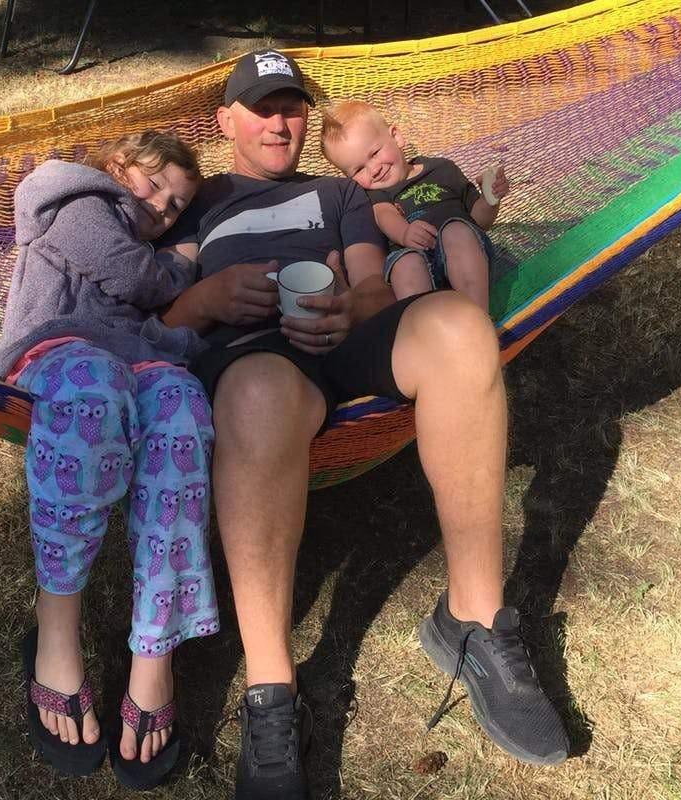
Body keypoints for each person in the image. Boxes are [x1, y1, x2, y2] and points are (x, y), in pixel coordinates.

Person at [157, 50, 569, 799]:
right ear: (225, 122)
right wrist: (209, 297)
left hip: (343, 339)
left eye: (291, 106)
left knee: (461, 331)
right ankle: (273, 692)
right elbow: (153, 313)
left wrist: (353, 308)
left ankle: (474, 619)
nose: (280, 121)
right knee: (254, 396)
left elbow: (377, 284)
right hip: (252, 356)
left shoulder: (337, 191)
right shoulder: (197, 200)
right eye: (261, 107)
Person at [0, 131, 220, 789]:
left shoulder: (137, 240)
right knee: (96, 387)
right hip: (55, 355)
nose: (160, 208)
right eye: (153, 185)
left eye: (175, 207)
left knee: (180, 401)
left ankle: (155, 651)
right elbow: (135, 278)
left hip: (128, 361)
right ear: (118, 168)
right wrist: (182, 265)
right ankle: (56, 631)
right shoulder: (75, 202)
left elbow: (147, 323)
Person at [321, 100, 510, 312]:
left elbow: (480, 220)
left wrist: (489, 198)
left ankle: (476, 319)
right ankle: (425, 336)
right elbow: (384, 214)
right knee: (404, 264)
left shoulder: (442, 169)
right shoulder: (372, 194)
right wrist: (404, 233)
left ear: (396, 136)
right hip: (416, 263)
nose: (373, 169)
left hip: (466, 259)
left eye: (374, 153)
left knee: (457, 231)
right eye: (358, 170)